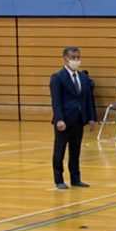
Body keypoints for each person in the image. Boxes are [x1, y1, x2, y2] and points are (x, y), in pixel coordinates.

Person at [49, 47, 96, 189]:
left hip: (78, 119)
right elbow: (56, 101)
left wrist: (91, 118)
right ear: (66, 58)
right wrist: (59, 119)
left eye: (78, 57)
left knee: (75, 151)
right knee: (60, 151)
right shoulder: (58, 78)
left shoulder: (83, 77)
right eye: (73, 57)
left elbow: (88, 99)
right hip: (64, 120)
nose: (76, 60)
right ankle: (59, 180)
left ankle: (75, 178)